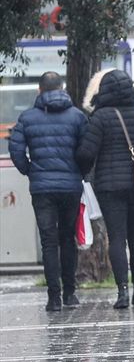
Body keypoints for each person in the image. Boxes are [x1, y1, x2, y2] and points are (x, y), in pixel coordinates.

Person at [76, 69, 134, 309]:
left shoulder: (100, 118)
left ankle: (122, 293)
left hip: (109, 187)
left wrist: (87, 171)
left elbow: (86, 152)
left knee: (117, 238)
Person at [9, 72, 88, 311]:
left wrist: (30, 171)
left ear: (39, 90)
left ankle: (53, 298)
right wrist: (80, 173)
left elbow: (15, 148)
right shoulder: (77, 116)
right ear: (62, 88)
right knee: (68, 238)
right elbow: (87, 150)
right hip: (71, 187)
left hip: (42, 188)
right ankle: (70, 294)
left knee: (48, 242)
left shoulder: (27, 117)